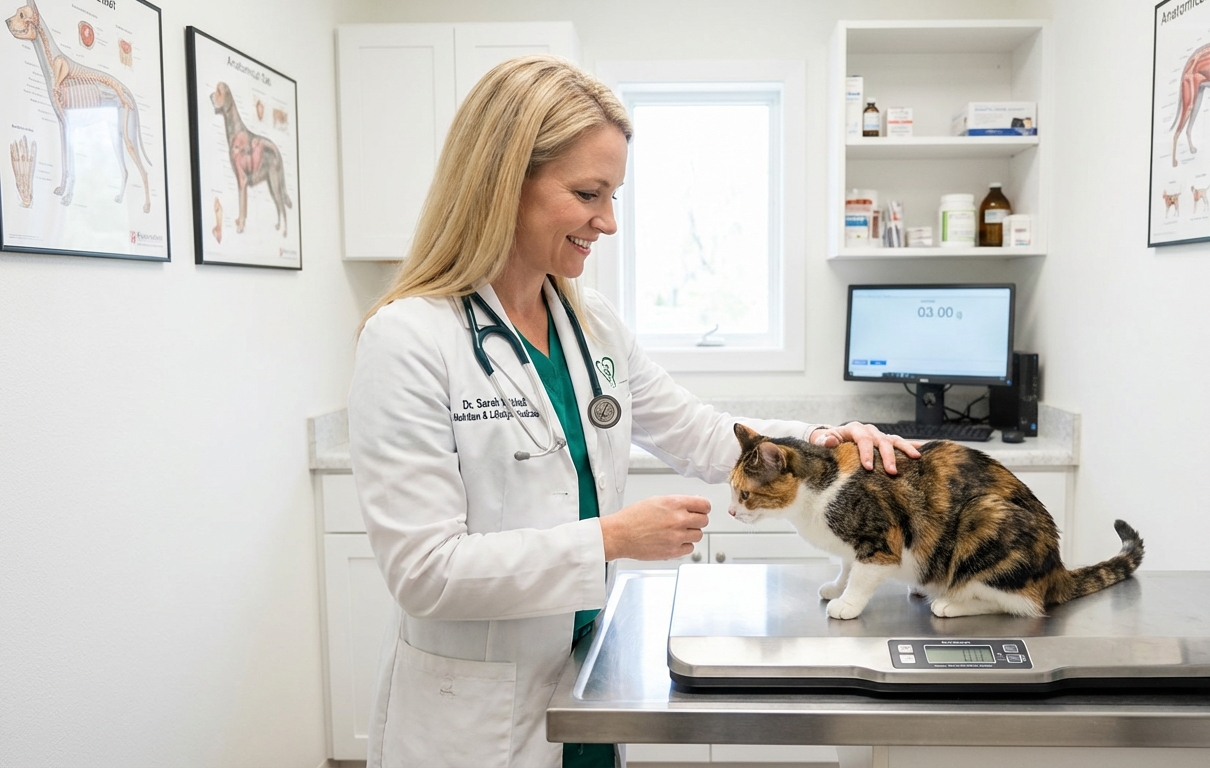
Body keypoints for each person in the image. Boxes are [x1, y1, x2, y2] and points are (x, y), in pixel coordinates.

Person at [348, 54, 919, 768]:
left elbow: (699, 431)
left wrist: (824, 441)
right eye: (589, 192)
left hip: (586, 689)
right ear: (503, 184)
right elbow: (425, 573)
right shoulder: (408, 339)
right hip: (473, 720)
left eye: (613, 194)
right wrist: (611, 539)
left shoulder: (592, 327)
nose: (608, 222)